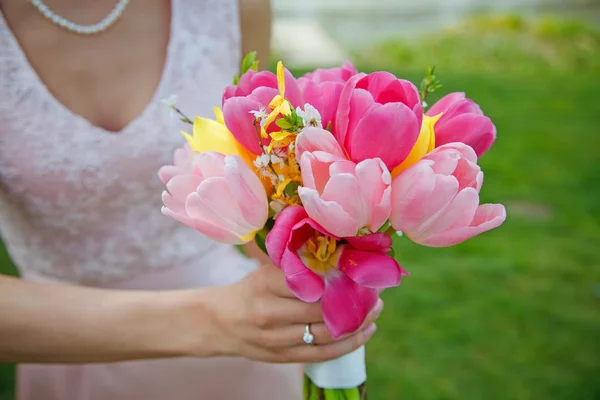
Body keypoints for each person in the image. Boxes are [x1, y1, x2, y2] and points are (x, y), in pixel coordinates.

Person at [0, 0, 382, 399]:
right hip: (72, 347)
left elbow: (260, 166)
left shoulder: (232, 8)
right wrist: (214, 320)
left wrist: (318, 274)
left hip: (248, 353)